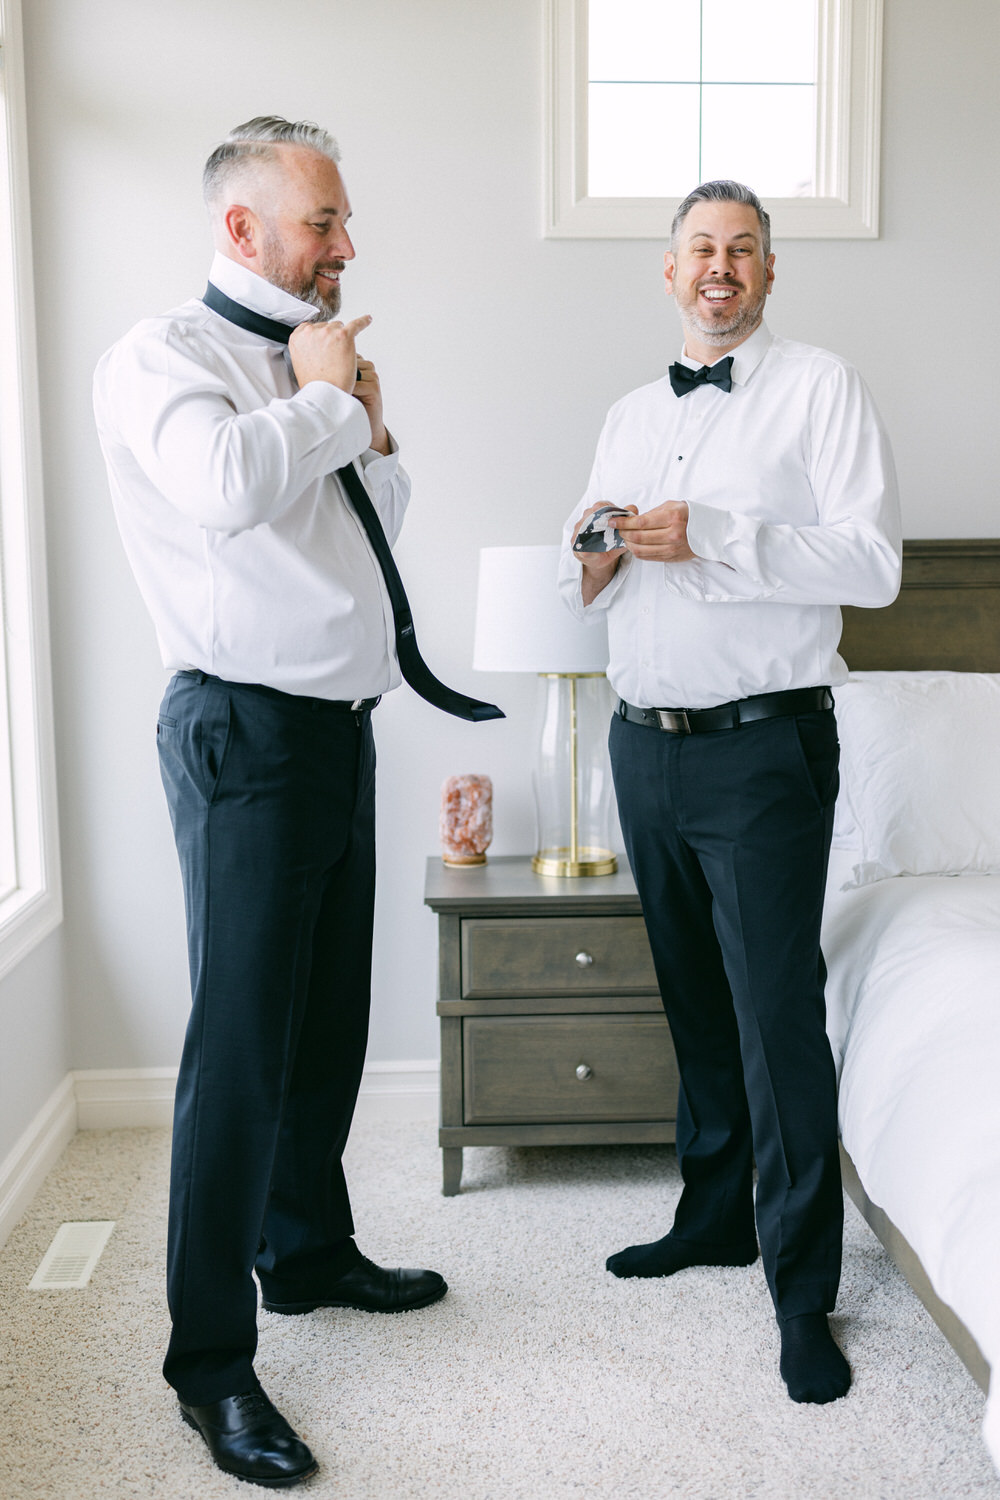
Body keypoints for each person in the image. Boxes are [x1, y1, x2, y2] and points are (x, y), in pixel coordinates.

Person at [94, 116, 460, 1488]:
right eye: (324, 223)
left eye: (345, 221)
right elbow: (223, 487)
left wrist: (358, 411)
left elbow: (386, 505)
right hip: (240, 732)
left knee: (325, 1025)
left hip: (334, 731)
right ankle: (211, 1366)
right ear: (243, 229)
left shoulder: (317, 362)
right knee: (239, 1053)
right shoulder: (161, 359)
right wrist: (321, 394)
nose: (346, 245)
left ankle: (305, 1251)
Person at [558, 180, 901, 1405]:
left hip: (762, 753)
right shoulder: (624, 414)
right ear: (667, 271)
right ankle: (714, 1216)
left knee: (773, 1020)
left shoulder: (821, 391)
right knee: (697, 1005)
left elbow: (873, 562)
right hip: (642, 743)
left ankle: (802, 1291)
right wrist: (591, 547)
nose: (720, 268)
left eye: (742, 251)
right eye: (700, 249)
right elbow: (585, 571)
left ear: (769, 272)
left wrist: (715, 535)